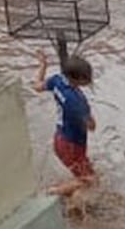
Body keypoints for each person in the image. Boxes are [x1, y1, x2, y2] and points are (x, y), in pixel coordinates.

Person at [33, 49, 97, 196]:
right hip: (72, 145)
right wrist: (88, 112)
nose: (90, 80)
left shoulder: (57, 80)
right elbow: (92, 127)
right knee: (89, 180)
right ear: (77, 80)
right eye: (87, 78)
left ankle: (70, 197)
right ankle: (53, 192)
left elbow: (37, 86)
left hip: (60, 139)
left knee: (88, 173)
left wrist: (43, 65)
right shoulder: (76, 101)